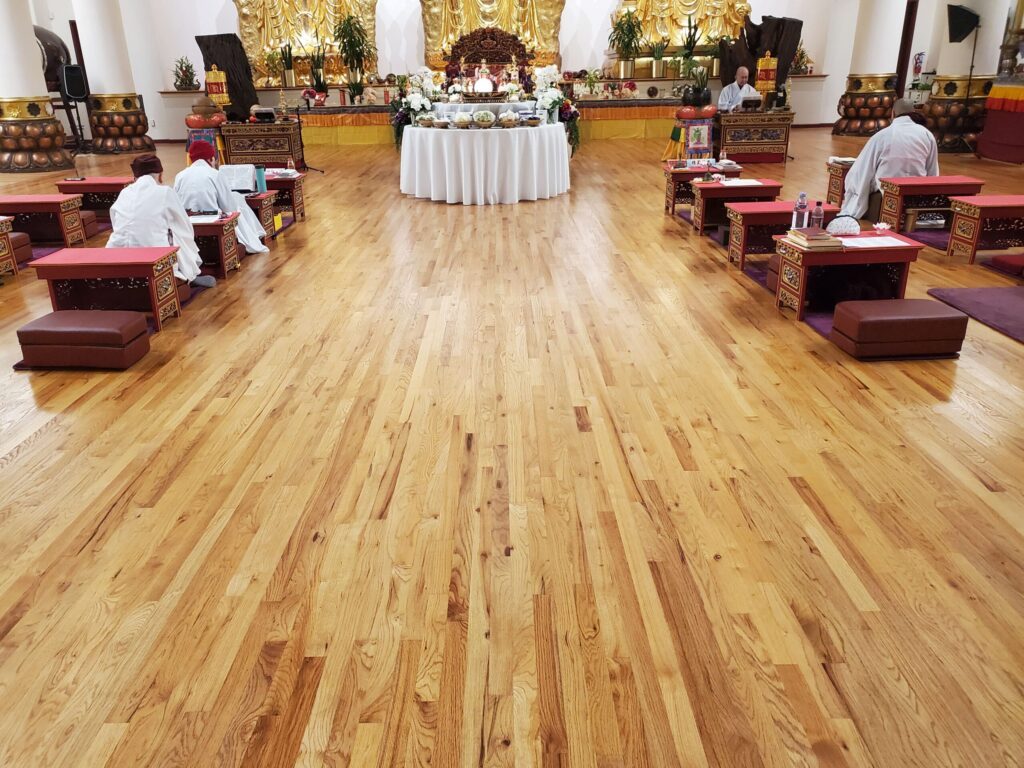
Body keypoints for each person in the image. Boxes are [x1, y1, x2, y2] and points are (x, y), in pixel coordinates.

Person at [107, 154, 213, 288]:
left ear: (135, 177)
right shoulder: (165, 192)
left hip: (116, 256)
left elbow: (115, 222)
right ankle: (190, 274)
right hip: (154, 257)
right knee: (178, 234)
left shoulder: (124, 193)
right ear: (160, 174)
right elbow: (184, 225)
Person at [840, 99, 939, 221]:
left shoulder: (882, 135)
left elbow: (862, 169)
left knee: (859, 177)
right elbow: (932, 171)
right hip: (916, 189)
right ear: (913, 112)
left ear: (893, 113)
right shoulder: (927, 135)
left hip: (887, 189)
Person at [173, 141, 270, 255]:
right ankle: (254, 238)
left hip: (187, 221)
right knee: (238, 206)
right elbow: (228, 206)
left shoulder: (180, 175)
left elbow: (176, 203)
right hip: (212, 219)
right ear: (210, 158)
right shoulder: (215, 174)